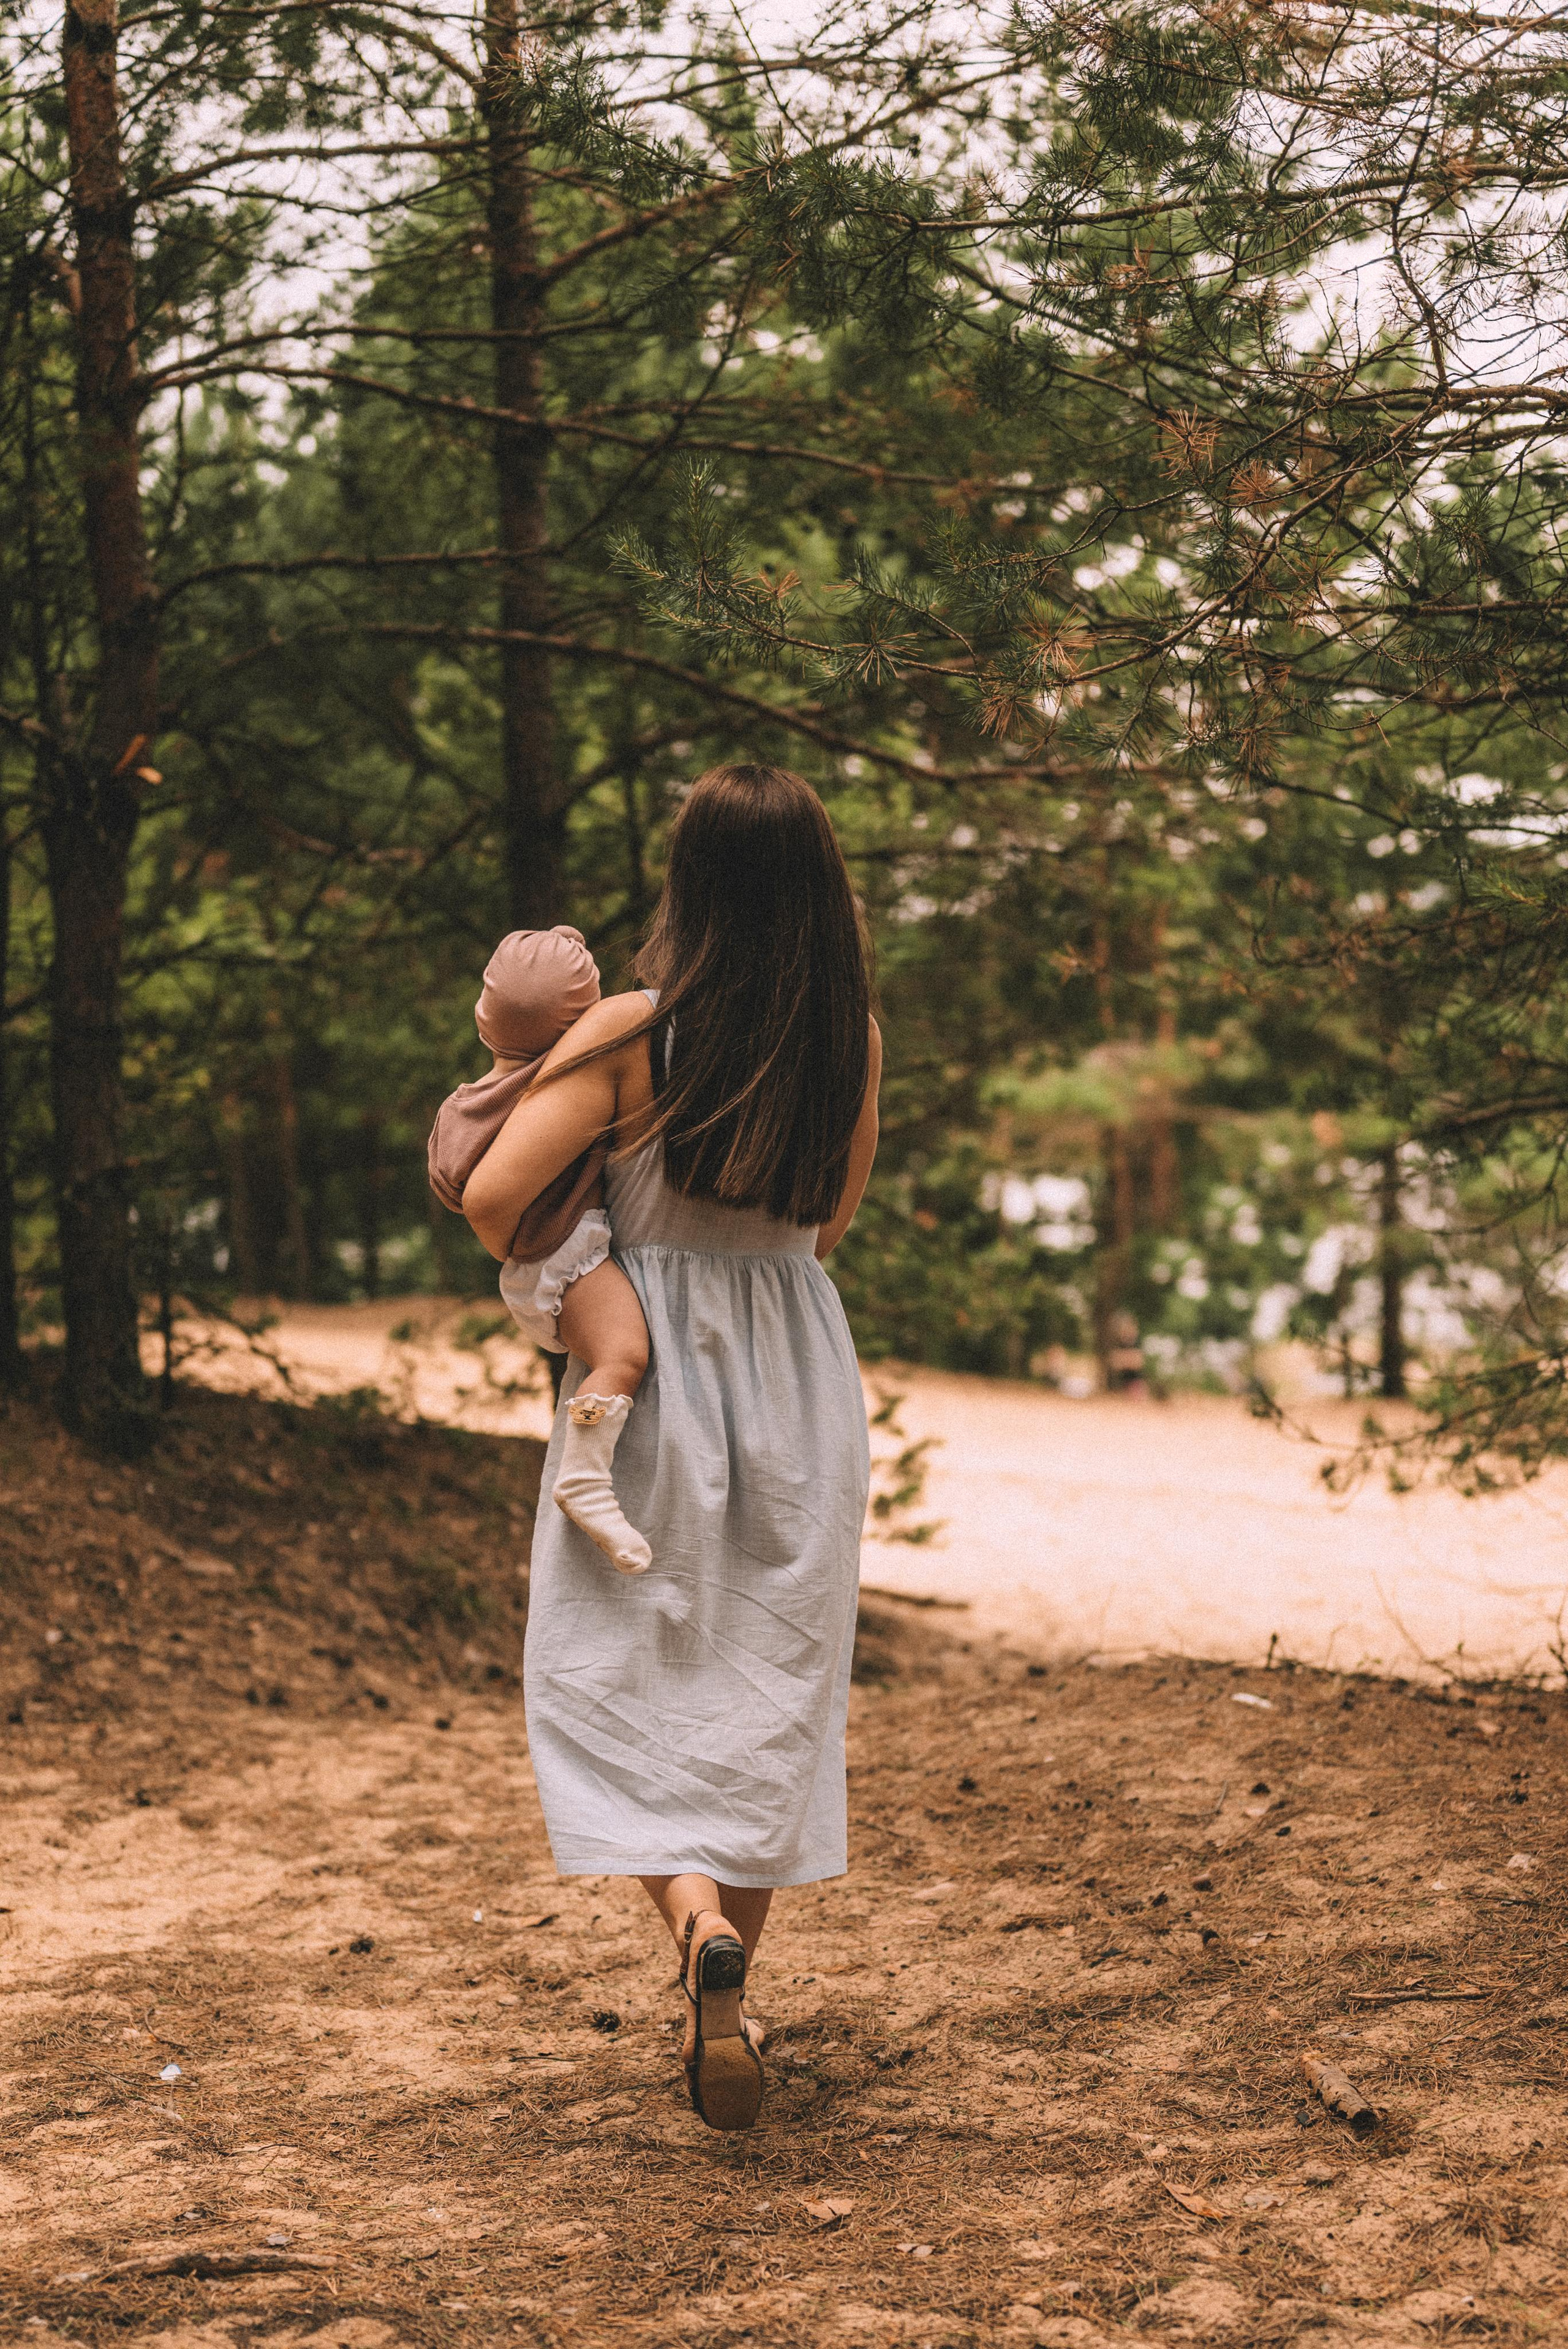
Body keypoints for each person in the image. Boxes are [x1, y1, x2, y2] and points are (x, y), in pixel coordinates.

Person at [462, 763, 880, 2134]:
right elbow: (826, 1227)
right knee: (767, 1686)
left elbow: (496, 1194)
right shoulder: (850, 1040)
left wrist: (596, 1284)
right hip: (798, 1375)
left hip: (648, 1379)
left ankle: (690, 1920)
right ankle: (733, 1990)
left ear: (688, 885)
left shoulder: (641, 1030)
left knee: (612, 1672)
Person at [428, 925, 655, 1575]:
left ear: (482, 1017)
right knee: (625, 1354)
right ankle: (586, 1477)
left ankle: (586, 1471)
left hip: (537, 1266)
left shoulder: (466, 1105)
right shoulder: (565, 1089)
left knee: (615, 1354)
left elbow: (453, 1186)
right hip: (571, 1261)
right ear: (584, 1027)